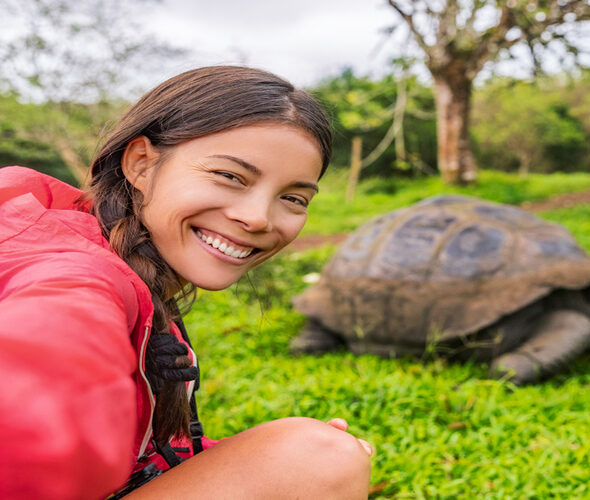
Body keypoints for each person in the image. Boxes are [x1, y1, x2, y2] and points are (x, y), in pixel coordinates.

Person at [0, 66, 373, 499]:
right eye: (230, 176)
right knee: (317, 458)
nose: (257, 217)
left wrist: (266, 464)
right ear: (141, 163)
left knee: (310, 460)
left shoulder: (135, 270)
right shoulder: (78, 277)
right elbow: (37, 377)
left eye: (293, 198)